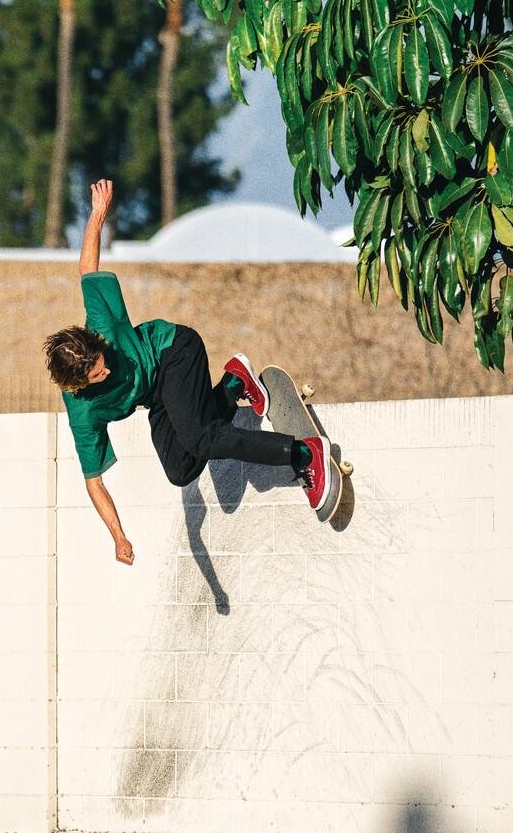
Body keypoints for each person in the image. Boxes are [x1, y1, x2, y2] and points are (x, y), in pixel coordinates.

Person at [43, 178, 340, 565]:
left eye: (104, 361)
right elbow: (94, 483)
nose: (108, 370)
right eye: (98, 376)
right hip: (158, 397)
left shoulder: (100, 324)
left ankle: (303, 453)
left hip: (175, 351)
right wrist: (118, 536)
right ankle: (234, 384)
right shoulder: (83, 414)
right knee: (181, 469)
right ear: (79, 386)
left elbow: (86, 268)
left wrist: (98, 214)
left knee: (202, 439)